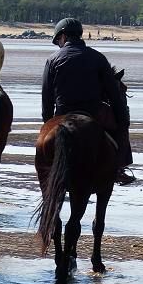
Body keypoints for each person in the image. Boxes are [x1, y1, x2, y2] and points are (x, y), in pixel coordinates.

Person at [41, 17, 135, 185]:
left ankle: (45, 169)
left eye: (58, 41)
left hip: (62, 112)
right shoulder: (98, 58)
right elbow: (113, 94)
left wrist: (47, 122)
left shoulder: (52, 59)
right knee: (121, 127)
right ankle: (119, 168)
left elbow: (46, 97)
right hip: (94, 113)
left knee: (44, 143)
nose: (59, 44)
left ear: (63, 36)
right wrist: (122, 118)